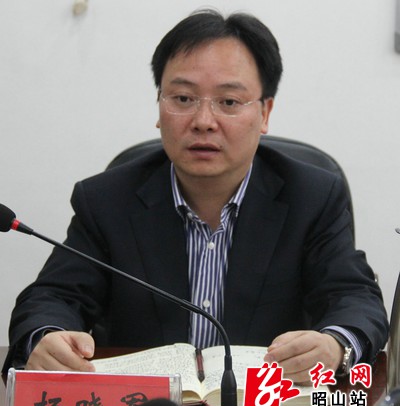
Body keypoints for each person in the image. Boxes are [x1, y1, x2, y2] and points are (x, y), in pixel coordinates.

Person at [2, 9, 388, 383]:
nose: (204, 121)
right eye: (183, 98)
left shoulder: (312, 197)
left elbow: (354, 298)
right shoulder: (107, 200)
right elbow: (53, 297)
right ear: (160, 106)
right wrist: (46, 337)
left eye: (229, 102)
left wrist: (336, 345)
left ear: (265, 113)